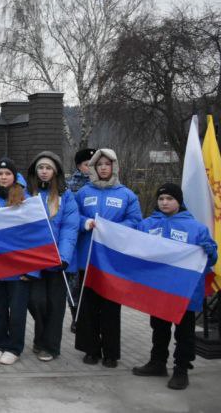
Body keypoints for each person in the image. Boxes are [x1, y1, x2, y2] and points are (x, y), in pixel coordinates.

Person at [132, 183, 217, 390]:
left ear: (179, 201)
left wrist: (210, 251)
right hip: (158, 289)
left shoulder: (196, 228)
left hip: (185, 291)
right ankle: (158, 363)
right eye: (161, 199)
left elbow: (211, 259)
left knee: (184, 332)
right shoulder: (147, 225)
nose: (164, 202)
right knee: (159, 328)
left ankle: (181, 369)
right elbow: (135, 248)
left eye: (169, 199)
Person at [75, 148, 142, 367]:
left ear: (114, 166)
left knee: (111, 308)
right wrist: (86, 223)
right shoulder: (84, 193)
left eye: (107, 164)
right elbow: (72, 217)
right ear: (93, 168)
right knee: (89, 307)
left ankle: (111, 352)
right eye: (99, 164)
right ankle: (91, 349)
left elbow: (135, 222)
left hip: (113, 261)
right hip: (89, 258)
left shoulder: (126, 194)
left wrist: (113, 229)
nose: (103, 167)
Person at [25, 151, 79, 362]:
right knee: (37, 302)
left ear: (55, 171)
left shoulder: (66, 197)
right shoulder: (28, 195)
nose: (44, 172)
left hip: (57, 261)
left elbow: (70, 227)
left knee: (55, 306)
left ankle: (50, 346)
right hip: (34, 260)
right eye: (40, 168)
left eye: (48, 168)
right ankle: (39, 338)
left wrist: (64, 256)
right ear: (35, 171)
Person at [0, 158, 32, 366]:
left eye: (7, 174)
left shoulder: (26, 199)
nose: (3, 177)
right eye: (0, 174)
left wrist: (30, 268)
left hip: (18, 267)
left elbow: (32, 235)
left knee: (17, 310)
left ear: (14, 177)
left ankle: (14, 347)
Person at [65, 147, 95, 333]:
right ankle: (76, 315)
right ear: (79, 166)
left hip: (97, 240)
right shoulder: (70, 186)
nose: (91, 168)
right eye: (87, 164)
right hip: (77, 239)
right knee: (74, 282)